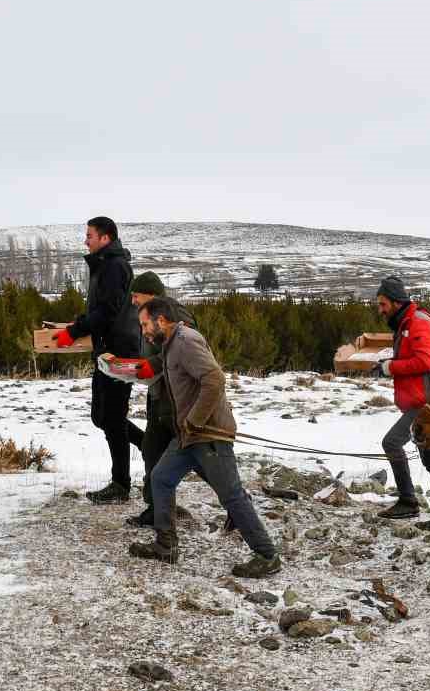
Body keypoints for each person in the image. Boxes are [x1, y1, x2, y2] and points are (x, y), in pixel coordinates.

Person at [130, 297, 281, 578]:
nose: (144, 331)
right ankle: (166, 545)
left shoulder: (186, 341)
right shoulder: (171, 344)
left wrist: (195, 420)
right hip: (189, 436)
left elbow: (215, 379)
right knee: (160, 478)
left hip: (208, 434)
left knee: (232, 496)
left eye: (145, 324)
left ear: (161, 320)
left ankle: (267, 555)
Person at [53, 217, 144, 502]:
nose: (86, 240)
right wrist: (78, 325)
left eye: (89, 235)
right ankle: (148, 445)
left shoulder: (114, 267)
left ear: (105, 238)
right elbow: (99, 309)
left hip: (119, 352)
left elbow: (108, 311)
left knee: (113, 418)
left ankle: (121, 484)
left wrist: (75, 332)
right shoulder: (104, 264)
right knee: (101, 417)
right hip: (106, 351)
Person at [372, 275, 430, 529]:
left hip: (427, 401)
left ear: (396, 302)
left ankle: (411, 502)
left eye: (383, 303)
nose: (380, 309)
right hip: (421, 400)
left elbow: (424, 362)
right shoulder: (406, 321)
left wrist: (389, 367)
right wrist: (386, 366)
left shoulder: (419, 322)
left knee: (392, 442)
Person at [124, 272, 200, 529]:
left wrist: (151, 365)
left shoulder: (176, 314)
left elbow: (183, 350)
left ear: (151, 294)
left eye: (136, 295)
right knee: (152, 450)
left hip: (176, 399)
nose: (133, 300)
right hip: (158, 395)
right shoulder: (149, 315)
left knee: (199, 458)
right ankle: (156, 510)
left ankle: (234, 503)